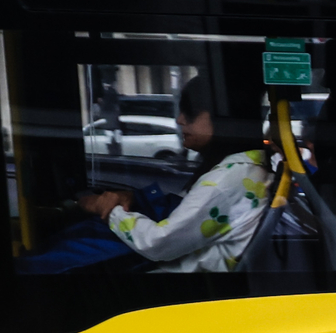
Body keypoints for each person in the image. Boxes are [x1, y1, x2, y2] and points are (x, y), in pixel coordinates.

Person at [81, 78, 271, 272]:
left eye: (189, 112)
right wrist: (134, 199)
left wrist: (109, 210)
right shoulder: (244, 170)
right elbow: (184, 212)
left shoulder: (227, 181)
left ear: (222, 118)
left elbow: (158, 243)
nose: (180, 120)